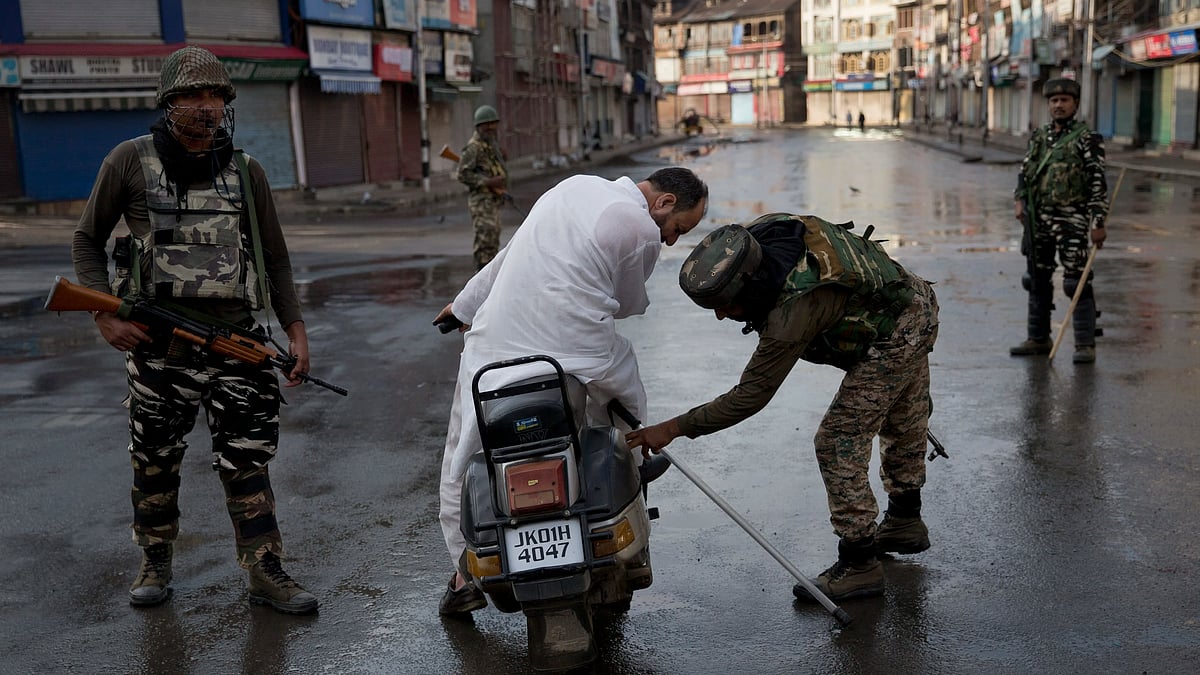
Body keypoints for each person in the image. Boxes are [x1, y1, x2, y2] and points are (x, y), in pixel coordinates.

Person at [71, 46, 318, 614]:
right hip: (157, 345)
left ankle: (264, 569)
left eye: (216, 97)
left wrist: (295, 328)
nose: (207, 107)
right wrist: (103, 312)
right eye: (193, 96)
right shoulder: (129, 161)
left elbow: (275, 259)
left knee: (248, 459)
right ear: (169, 102)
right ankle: (154, 559)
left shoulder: (246, 171)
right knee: (154, 458)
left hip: (236, 341)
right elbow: (87, 240)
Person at [432, 167, 709, 616]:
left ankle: (463, 575)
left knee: (460, 459)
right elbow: (629, 304)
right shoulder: (641, 231)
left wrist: (463, 305)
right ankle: (637, 468)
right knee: (625, 396)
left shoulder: (571, 187)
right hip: (573, 353)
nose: (673, 240)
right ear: (665, 204)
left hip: (493, 352)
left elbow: (510, 254)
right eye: (679, 229)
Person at [625, 214, 940, 603]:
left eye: (724, 305)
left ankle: (859, 564)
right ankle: (905, 520)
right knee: (901, 412)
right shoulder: (761, 241)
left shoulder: (792, 312)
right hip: (905, 297)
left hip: (900, 322)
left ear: (749, 285)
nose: (722, 316)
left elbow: (750, 397)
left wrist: (673, 428)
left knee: (839, 438)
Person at [1011, 78, 1108, 363]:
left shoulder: (1087, 138)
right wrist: (1019, 201)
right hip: (1039, 219)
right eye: (1054, 101)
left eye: (1065, 100)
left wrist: (1098, 222)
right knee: (1036, 279)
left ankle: (1084, 343)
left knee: (1075, 280)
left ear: (1075, 104)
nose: (1059, 105)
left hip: (1073, 220)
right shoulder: (1039, 136)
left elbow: (1097, 182)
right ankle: (1038, 338)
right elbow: (1025, 172)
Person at [457, 105, 509, 270]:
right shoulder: (474, 147)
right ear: (480, 126)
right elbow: (462, 174)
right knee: (485, 241)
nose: (492, 129)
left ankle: (489, 277)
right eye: (488, 125)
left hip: (492, 201)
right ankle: (482, 277)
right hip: (481, 202)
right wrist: (488, 183)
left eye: (494, 125)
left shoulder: (490, 145)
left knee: (493, 240)